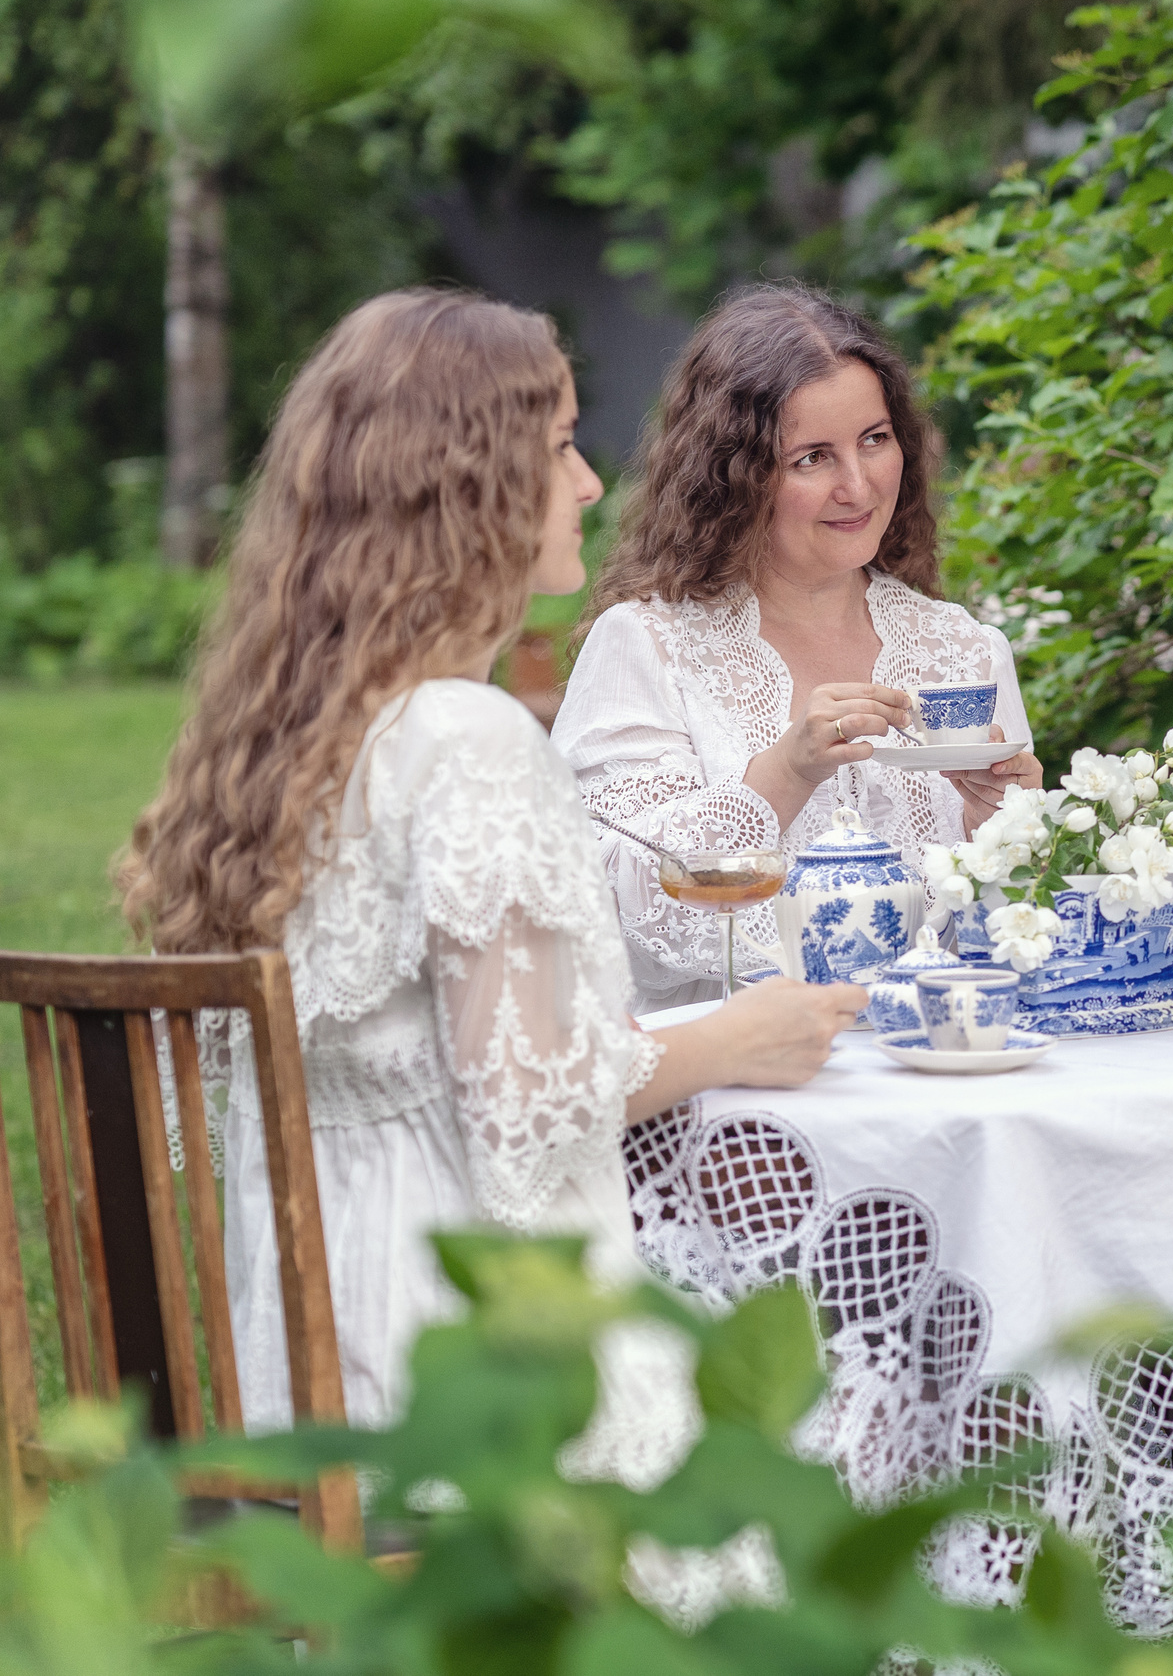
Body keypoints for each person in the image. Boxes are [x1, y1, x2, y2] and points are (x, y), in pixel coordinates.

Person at [119, 290, 870, 1441]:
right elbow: (532, 1111)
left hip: (308, 1363)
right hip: (466, 1369)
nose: (588, 485)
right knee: (798, 1432)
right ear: (464, 486)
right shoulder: (461, 740)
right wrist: (739, 1038)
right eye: (561, 445)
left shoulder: (285, 746)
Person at [554, 283, 1042, 1012]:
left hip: (929, 1059)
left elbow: (1019, 936)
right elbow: (603, 906)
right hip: (732, 1063)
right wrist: (785, 773)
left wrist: (1005, 822)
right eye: (812, 458)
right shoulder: (647, 646)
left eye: (875, 439)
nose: (858, 486)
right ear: (735, 476)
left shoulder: (962, 650)